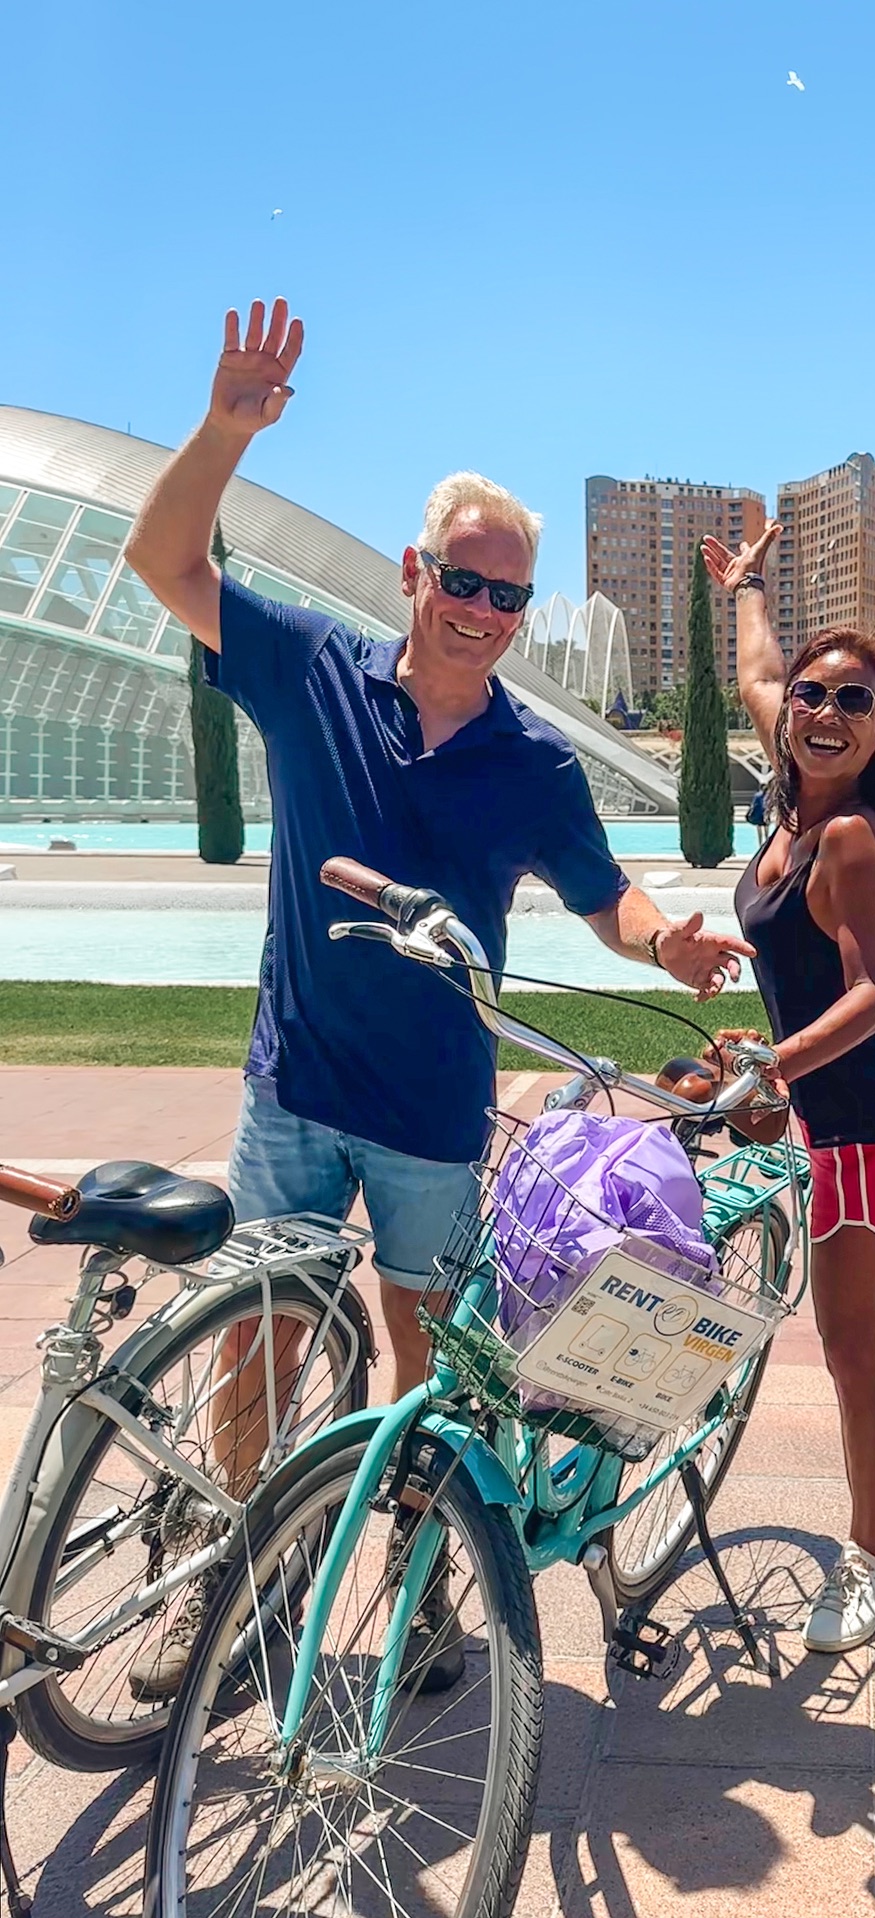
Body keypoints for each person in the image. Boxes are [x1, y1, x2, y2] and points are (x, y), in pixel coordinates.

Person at [124, 299, 752, 1694]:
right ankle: (235, 1584)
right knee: (261, 1348)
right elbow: (160, 557)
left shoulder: (533, 762)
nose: (484, 613)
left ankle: (419, 1592)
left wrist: (669, 948)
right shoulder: (311, 671)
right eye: (464, 582)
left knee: (426, 1367)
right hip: (296, 1081)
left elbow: (606, 895)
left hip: (429, 1111)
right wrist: (228, 424)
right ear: (415, 571)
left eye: (510, 597)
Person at [701, 523, 875, 1655]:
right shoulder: (792, 783)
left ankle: (867, 1562)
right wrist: (750, 589)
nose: (820, 712)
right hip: (832, 1106)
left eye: (853, 703)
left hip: (862, 1114)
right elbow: (760, 671)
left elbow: (873, 998)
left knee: (845, 1337)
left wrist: (771, 1062)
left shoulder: (851, 836)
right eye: (815, 696)